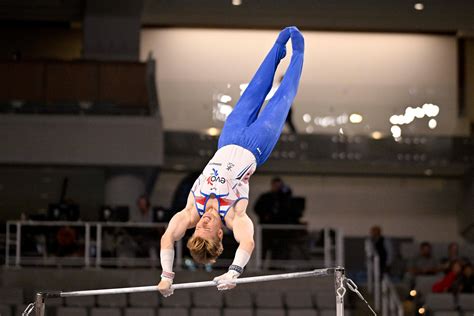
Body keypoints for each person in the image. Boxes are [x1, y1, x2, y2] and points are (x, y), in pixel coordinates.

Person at [157, 26, 305, 297]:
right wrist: (235, 271)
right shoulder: (234, 215)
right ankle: (299, 54)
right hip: (257, 145)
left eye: (197, 232)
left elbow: (168, 237)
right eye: (207, 231)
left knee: (256, 87)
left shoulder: (191, 211)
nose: (201, 226)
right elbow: (248, 241)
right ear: (219, 235)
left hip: (228, 138)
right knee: (281, 98)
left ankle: (277, 49)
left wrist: (167, 275)